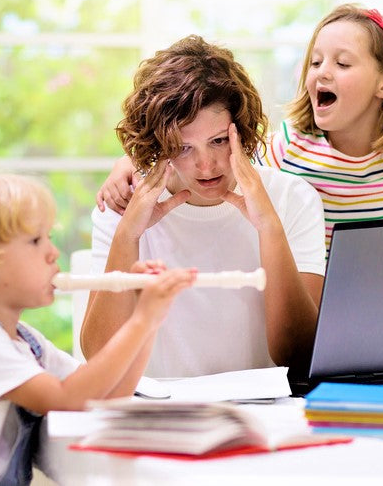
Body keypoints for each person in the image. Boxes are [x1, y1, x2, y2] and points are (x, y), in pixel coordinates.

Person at [97, 4, 383, 251]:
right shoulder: (289, 148)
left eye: (342, 64)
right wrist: (129, 165)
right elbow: (200, 148)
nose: (322, 72)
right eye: (315, 62)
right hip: (315, 315)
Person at [81, 35, 326, 379]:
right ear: (157, 144)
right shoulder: (125, 204)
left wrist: (269, 227)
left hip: (266, 416)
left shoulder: (292, 198)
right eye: (183, 148)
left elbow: (299, 356)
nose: (206, 165)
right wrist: (128, 236)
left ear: (241, 131)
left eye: (219, 141)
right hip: (161, 413)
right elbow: (99, 358)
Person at [0, 172, 195, 486]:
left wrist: (149, 320)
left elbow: (109, 394)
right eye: (36, 241)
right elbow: (66, 399)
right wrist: (141, 320)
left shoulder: (25, 340)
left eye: (49, 237)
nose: (52, 253)